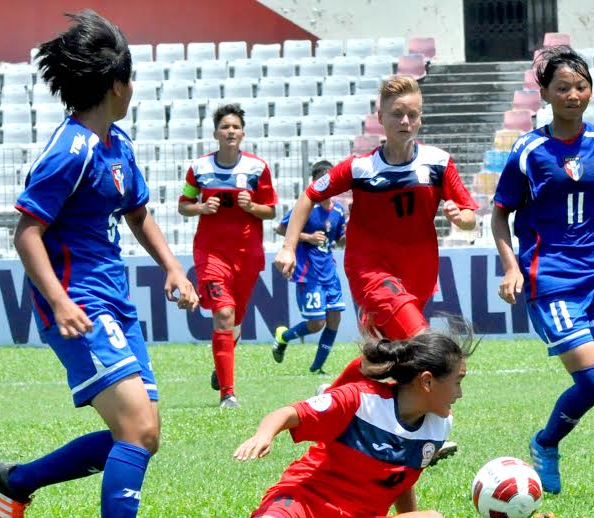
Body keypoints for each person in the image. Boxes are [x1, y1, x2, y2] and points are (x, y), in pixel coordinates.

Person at [0, 11, 199, 518]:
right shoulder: (70, 150)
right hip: (80, 304)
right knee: (136, 430)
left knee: (143, 434)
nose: (135, 90)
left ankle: (17, 481)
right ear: (116, 85)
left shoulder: (117, 143)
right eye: (132, 80)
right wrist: (58, 304)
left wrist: (174, 269)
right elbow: (26, 232)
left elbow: (137, 213)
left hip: (114, 301)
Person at [132, 330, 558, 518]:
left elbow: (401, 477)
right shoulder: (360, 400)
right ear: (427, 381)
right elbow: (287, 413)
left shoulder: (438, 423)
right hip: (304, 502)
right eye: (458, 380)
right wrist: (264, 435)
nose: (461, 392)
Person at [492, 45, 594, 497]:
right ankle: (546, 443)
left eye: (581, 86)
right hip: (550, 281)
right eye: (562, 87)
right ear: (544, 93)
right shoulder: (528, 150)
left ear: (591, 90)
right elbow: (499, 215)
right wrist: (511, 268)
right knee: (592, 380)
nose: (573, 94)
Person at [274, 75, 479, 392]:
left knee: (387, 355)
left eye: (413, 114)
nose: (406, 121)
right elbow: (309, 196)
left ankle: (329, 398)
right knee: (427, 347)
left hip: (419, 273)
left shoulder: (438, 163)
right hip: (371, 271)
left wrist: (459, 216)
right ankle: (434, 427)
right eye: (397, 113)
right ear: (380, 117)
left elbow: (469, 216)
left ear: (421, 117)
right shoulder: (360, 168)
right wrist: (288, 248)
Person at [179, 104, 278, 408]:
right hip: (211, 255)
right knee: (223, 314)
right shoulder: (199, 168)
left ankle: (221, 369)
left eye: (235, 126)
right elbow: (184, 204)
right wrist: (200, 208)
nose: (230, 131)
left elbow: (271, 210)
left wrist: (252, 208)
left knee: (235, 322)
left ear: (243, 133)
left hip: (247, 256)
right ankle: (228, 394)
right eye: (225, 126)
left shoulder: (257, 167)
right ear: (215, 133)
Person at [271, 160, 347, 374]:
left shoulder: (338, 211)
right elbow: (280, 228)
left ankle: (317, 367)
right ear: (314, 182)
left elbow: (339, 240)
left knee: (334, 319)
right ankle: (283, 337)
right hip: (309, 273)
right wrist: (308, 237)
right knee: (316, 323)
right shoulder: (306, 206)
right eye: (322, 180)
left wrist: (348, 235)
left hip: (329, 272)